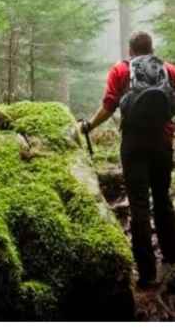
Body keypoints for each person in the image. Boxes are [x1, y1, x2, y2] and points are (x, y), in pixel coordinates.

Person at [81, 30, 175, 288]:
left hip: (133, 144)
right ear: (152, 48)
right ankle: (171, 259)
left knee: (139, 205)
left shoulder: (121, 71)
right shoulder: (168, 69)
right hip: (163, 142)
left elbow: (109, 105)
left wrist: (89, 126)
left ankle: (146, 274)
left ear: (130, 51)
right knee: (163, 199)